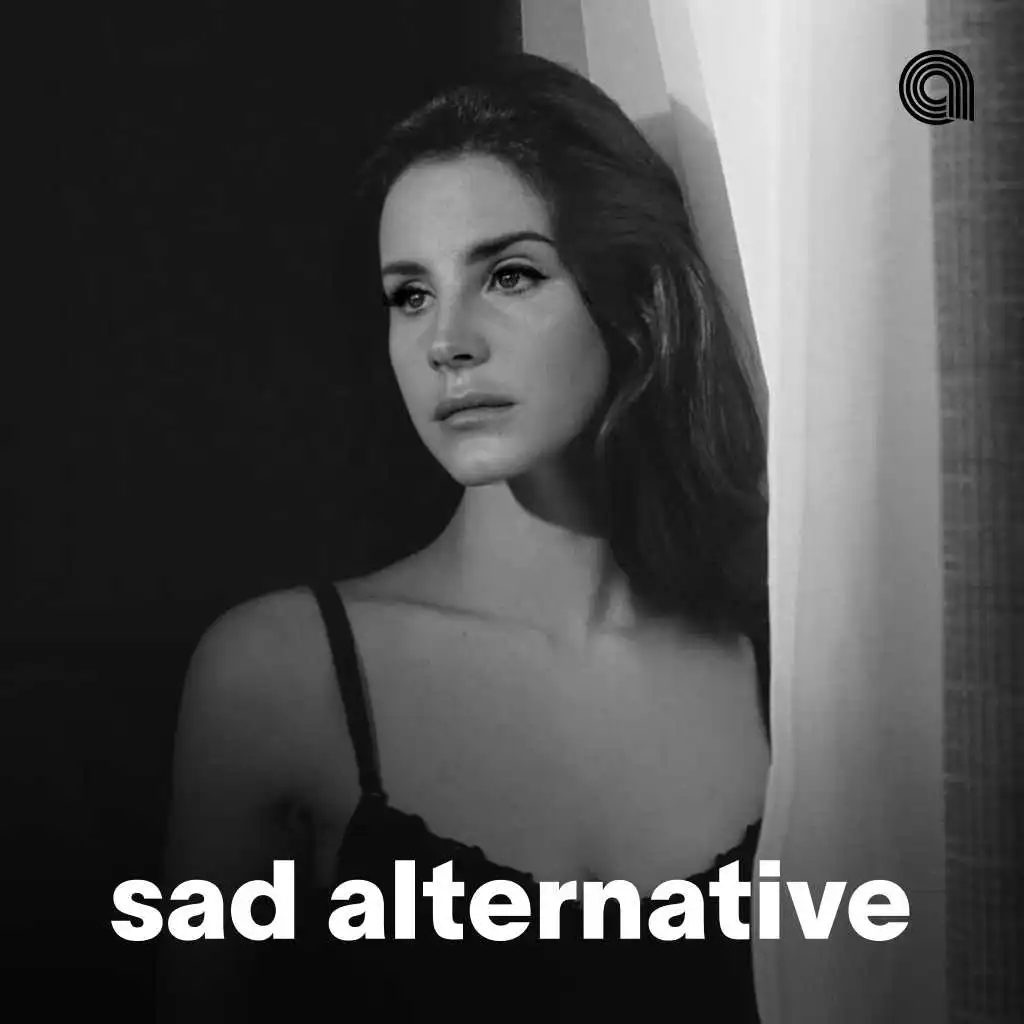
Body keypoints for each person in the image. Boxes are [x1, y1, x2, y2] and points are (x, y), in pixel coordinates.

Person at [160, 53, 771, 1022]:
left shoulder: (778, 667)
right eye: (409, 294)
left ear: (634, 298)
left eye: (510, 275)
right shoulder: (279, 674)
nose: (446, 339)